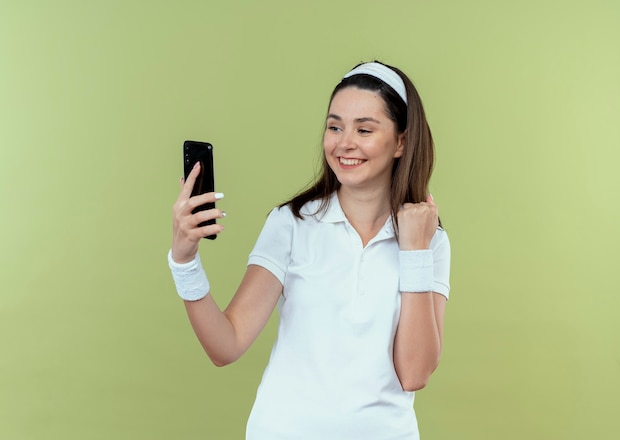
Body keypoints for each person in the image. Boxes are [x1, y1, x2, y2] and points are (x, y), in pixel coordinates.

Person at [168, 61, 451, 440]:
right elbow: (226, 345)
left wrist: (415, 251)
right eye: (335, 127)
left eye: (364, 129)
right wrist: (184, 261)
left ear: (401, 141)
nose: (344, 143)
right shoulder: (292, 223)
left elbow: (415, 373)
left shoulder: (430, 241)